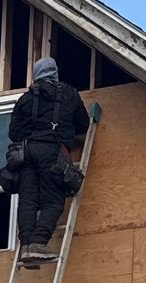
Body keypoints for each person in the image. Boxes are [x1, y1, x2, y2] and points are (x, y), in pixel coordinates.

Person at [6, 57, 90, 265]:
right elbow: (83, 125)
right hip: (52, 151)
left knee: (28, 201)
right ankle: (38, 242)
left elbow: (14, 133)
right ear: (55, 73)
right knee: (53, 200)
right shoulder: (69, 93)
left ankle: (26, 246)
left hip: (26, 153)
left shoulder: (25, 99)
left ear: (36, 75)